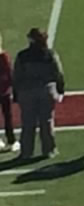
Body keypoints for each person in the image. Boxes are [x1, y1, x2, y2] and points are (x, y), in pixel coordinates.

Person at [14, 27, 65, 160]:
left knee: (27, 122)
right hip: (46, 90)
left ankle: (26, 152)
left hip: (27, 91)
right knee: (46, 121)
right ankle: (49, 150)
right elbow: (58, 73)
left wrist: (16, 93)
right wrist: (60, 89)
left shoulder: (22, 56)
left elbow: (17, 75)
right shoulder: (49, 54)